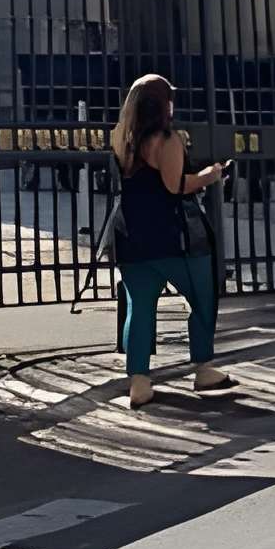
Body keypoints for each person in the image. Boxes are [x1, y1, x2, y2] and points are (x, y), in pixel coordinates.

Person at [107, 71, 234, 407]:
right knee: (203, 299)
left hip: (132, 237)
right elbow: (175, 185)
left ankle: (139, 381)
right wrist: (210, 175)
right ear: (163, 104)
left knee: (140, 307)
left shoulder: (121, 138)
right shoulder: (167, 140)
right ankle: (204, 368)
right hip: (174, 237)